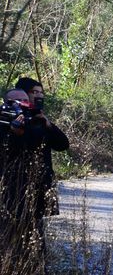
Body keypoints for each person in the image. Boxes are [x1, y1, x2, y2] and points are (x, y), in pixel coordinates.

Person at [0, 84, 68, 255]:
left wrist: (48, 124)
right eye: (16, 100)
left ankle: (39, 274)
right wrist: (15, 132)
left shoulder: (36, 119)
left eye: (24, 99)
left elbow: (62, 144)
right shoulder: (3, 122)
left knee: (36, 231)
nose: (21, 103)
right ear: (6, 102)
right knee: (9, 233)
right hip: (11, 189)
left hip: (37, 186)